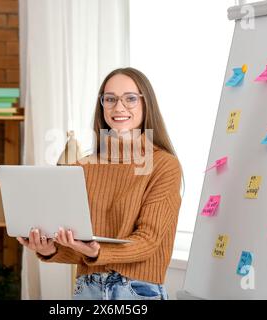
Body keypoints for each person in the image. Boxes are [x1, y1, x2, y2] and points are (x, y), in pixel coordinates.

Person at [17, 67, 183, 300]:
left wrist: (97, 250)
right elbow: (80, 248)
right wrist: (50, 249)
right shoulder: (82, 167)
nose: (119, 107)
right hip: (88, 288)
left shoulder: (164, 165)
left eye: (131, 98)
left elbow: (148, 242)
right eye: (110, 99)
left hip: (136, 291)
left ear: (147, 104)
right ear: (102, 105)